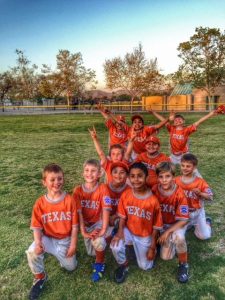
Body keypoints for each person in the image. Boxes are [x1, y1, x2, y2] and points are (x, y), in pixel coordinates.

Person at [26, 164, 79, 300]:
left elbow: (74, 227)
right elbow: (37, 227)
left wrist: (73, 245)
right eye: (52, 179)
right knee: (32, 251)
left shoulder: (69, 200)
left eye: (59, 178)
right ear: (44, 182)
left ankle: (62, 256)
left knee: (71, 267)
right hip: (48, 238)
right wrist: (38, 243)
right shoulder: (39, 203)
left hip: (64, 240)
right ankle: (40, 277)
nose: (57, 182)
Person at [110, 162, 163, 283]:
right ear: (129, 178)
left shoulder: (153, 200)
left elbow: (156, 226)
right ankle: (124, 265)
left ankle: (156, 248)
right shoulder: (126, 194)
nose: (136, 179)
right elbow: (122, 217)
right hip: (129, 230)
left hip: (145, 235)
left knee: (145, 267)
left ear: (146, 177)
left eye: (140, 176)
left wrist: (153, 246)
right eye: (132, 176)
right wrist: (119, 233)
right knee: (115, 246)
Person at [73, 159, 112, 282]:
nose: (89, 173)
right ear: (83, 173)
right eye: (87, 170)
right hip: (86, 224)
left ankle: (100, 263)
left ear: (99, 174)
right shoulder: (78, 190)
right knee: (91, 253)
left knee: (99, 242)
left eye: (93, 171)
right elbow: (78, 213)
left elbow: (106, 209)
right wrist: (83, 231)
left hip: (98, 222)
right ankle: (109, 235)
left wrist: (103, 229)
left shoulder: (103, 188)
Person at [152, 162, 189, 283]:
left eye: (167, 176)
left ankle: (183, 264)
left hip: (176, 224)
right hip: (161, 224)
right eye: (161, 177)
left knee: (179, 237)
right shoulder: (154, 189)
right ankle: (166, 243)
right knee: (165, 257)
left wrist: (167, 232)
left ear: (173, 177)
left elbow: (184, 219)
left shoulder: (179, 193)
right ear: (157, 178)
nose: (164, 180)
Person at [150, 109, 217, 165]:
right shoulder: (171, 128)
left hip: (184, 155)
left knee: (192, 169)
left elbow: (199, 122)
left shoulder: (187, 129)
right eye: (175, 120)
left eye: (180, 119)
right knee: (164, 166)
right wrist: (154, 112)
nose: (178, 120)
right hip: (173, 156)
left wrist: (210, 114)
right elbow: (163, 120)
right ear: (173, 123)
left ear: (184, 121)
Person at [175, 153, 213, 240]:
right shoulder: (176, 181)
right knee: (177, 235)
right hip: (182, 213)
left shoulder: (200, 182)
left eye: (188, 166)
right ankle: (189, 224)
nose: (185, 168)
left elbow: (210, 197)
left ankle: (207, 222)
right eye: (183, 165)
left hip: (197, 212)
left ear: (194, 167)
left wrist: (200, 193)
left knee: (204, 236)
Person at [107, 161, 130, 236]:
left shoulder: (129, 190)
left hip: (120, 219)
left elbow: (126, 209)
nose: (118, 175)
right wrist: (107, 218)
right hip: (105, 218)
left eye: (122, 172)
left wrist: (114, 217)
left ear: (127, 176)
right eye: (115, 172)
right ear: (111, 174)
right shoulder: (104, 188)